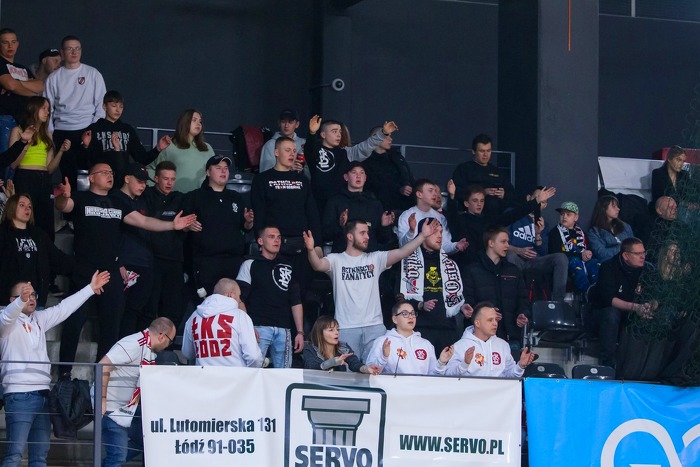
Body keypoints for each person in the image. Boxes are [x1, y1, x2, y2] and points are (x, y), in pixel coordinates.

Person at [54, 162, 196, 377]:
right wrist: (62, 197)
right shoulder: (81, 198)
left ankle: (103, 374)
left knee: (112, 326)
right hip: (85, 270)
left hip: (110, 271)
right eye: (104, 172)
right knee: (75, 320)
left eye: (111, 172)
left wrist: (171, 225)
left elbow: (144, 221)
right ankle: (64, 374)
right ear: (91, 177)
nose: (109, 175)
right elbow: (64, 206)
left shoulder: (117, 202)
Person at [0, 270, 110, 467]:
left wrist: (90, 289)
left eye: (33, 294)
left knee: (40, 457)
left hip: (43, 395)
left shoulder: (39, 319)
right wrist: (19, 302)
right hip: (18, 396)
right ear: (12, 300)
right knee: (14, 455)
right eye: (25, 295)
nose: (31, 298)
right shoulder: (4, 319)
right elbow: (7, 317)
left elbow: (63, 308)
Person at [303, 217, 438, 361]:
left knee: (377, 369)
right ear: (350, 236)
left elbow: (402, 252)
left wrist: (422, 236)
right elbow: (317, 265)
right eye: (362, 233)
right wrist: (310, 250)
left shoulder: (375, 258)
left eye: (367, 233)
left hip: (375, 327)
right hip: (346, 327)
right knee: (348, 371)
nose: (367, 237)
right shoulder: (336, 260)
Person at [251, 136, 322, 299]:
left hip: (300, 247)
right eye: (287, 150)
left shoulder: (302, 180)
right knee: (275, 294)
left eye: (294, 151)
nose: (292, 154)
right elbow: (259, 214)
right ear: (276, 152)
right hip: (275, 246)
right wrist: (261, 242)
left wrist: (317, 244)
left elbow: (312, 214)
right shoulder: (262, 179)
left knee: (300, 294)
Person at [98, 317, 176, 467]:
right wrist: (102, 400)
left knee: (145, 440)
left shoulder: (147, 349)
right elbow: (103, 365)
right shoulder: (134, 343)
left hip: (128, 408)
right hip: (112, 408)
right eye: (169, 341)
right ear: (162, 336)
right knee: (118, 456)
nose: (168, 345)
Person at [183, 155, 253, 296]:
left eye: (226, 168)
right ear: (208, 172)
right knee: (207, 301)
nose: (223, 171)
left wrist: (248, 222)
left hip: (233, 260)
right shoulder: (194, 197)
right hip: (207, 262)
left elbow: (245, 228)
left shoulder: (236, 197)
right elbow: (181, 227)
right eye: (218, 168)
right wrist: (188, 226)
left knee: (233, 301)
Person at [44, 35, 107, 191]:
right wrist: (50, 131)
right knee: (67, 174)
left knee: (90, 173)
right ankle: (69, 205)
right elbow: (47, 107)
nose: (74, 52)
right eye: (70, 49)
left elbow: (101, 104)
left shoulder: (92, 73)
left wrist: (93, 128)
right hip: (62, 130)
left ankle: (87, 205)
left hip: (87, 129)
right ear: (62, 52)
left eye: (77, 48)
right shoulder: (54, 77)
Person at [399, 217, 471, 352]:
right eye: (434, 232)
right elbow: (398, 298)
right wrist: (419, 305)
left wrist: (461, 307)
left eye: (441, 232)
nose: (439, 236)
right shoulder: (406, 262)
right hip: (418, 329)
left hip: (447, 330)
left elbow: (453, 295)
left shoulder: (450, 263)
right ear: (423, 234)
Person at [236, 226, 304, 368]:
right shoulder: (250, 263)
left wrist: (300, 332)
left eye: (279, 237)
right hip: (258, 327)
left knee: (284, 374)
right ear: (260, 241)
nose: (276, 240)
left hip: (284, 328)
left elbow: (296, 301)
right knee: (252, 371)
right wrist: (248, 328)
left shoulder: (288, 266)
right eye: (271, 237)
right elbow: (239, 299)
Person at [305, 116, 397, 215]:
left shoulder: (345, 153)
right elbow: (309, 148)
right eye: (334, 131)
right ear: (323, 134)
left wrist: (382, 133)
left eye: (340, 132)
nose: (339, 135)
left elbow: (365, 147)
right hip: (315, 202)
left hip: (338, 204)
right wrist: (312, 133)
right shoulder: (315, 150)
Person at [6, 96, 69, 240]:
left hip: (44, 178)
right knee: (25, 217)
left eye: (48, 109)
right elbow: (13, 163)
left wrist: (61, 152)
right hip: (25, 176)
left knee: (46, 220)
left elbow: (49, 168)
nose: (47, 112)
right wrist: (24, 144)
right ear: (33, 109)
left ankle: (46, 250)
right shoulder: (18, 130)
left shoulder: (47, 134)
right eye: (43, 108)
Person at [81, 90, 171, 190]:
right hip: (100, 184)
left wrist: (158, 148)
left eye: (121, 106)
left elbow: (142, 158)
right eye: (114, 106)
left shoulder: (127, 130)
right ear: (104, 106)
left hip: (122, 184)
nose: (118, 110)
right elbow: (85, 163)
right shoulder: (94, 129)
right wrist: (85, 146)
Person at [0, 194, 74, 307]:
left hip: (34, 302)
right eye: (22, 205)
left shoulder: (39, 235)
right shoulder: (3, 233)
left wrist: (87, 270)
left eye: (30, 206)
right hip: (7, 302)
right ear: (11, 207)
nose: (27, 209)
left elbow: (58, 260)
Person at [591, 237, 654, 368]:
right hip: (603, 315)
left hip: (634, 313)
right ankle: (608, 364)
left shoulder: (648, 270)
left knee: (651, 316)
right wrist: (635, 307)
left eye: (644, 252)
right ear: (626, 255)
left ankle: (642, 366)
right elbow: (609, 299)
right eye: (638, 253)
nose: (643, 256)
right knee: (611, 314)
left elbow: (655, 294)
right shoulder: (608, 267)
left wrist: (650, 305)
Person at [462, 228, 530, 345]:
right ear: (491, 243)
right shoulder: (472, 270)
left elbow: (523, 299)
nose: (507, 245)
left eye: (508, 242)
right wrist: (487, 314)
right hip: (481, 339)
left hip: (511, 336)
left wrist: (522, 314)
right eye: (503, 242)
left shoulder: (514, 270)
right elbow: (468, 301)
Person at [113, 163, 158, 337]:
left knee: (145, 312)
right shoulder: (114, 198)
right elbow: (108, 235)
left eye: (145, 182)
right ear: (126, 178)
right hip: (126, 263)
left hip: (146, 262)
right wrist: (118, 262)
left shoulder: (143, 200)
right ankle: (121, 350)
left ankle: (138, 350)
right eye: (139, 181)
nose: (143, 185)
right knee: (125, 312)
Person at [143, 161, 187, 327]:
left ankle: (167, 343)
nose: (169, 183)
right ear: (156, 179)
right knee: (148, 309)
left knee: (171, 311)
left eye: (172, 179)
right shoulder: (146, 195)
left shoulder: (180, 198)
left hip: (174, 261)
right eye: (165, 178)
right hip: (151, 260)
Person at [181, 278, 263, 367]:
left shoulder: (194, 317)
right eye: (239, 296)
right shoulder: (240, 316)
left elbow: (187, 353)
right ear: (230, 295)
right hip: (235, 375)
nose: (240, 301)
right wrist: (249, 373)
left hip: (203, 374)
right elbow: (254, 356)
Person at [506, 186, 568, 301]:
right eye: (537, 198)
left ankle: (558, 302)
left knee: (561, 258)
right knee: (510, 255)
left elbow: (543, 252)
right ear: (529, 198)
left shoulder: (544, 224)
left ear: (545, 205)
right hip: (515, 258)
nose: (539, 203)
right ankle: (513, 299)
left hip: (534, 261)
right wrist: (519, 251)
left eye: (543, 201)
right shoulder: (513, 214)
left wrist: (538, 235)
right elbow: (501, 244)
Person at [445, 301, 536, 378]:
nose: (495, 323)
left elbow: (510, 377)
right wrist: (464, 364)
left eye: (496, 320)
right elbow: (448, 376)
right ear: (477, 323)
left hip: (498, 393)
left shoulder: (503, 345)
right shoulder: (460, 346)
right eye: (490, 320)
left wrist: (520, 366)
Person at [323, 161, 394, 253]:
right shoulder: (335, 201)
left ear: (365, 178)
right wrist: (340, 225)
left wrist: (385, 227)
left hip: (369, 257)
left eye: (362, 173)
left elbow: (384, 240)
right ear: (346, 177)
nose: (358, 176)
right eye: (354, 172)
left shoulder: (375, 204)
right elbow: (326, 235)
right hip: (343, 256)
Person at [366, 301, 453, 375]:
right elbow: (372, 372)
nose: (410, 317)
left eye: (413, 313)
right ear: (395, 319)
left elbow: (433, 378)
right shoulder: (383, 341)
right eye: (405, 314)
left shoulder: (426, 344)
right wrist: (384, 357)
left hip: (421, 389)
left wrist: (441, 363)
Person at [148, 109, 214, 193]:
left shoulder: (208, 148)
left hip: (201, 198)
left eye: (200, 121)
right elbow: (150, 169)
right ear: (184, 122)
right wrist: (159, 191)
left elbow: (215, 174)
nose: (198, 124)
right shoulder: (168, 145)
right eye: (194, 120)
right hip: (174, 198)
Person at [451, 133, 516, 219]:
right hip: (472, 216)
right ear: (473, 151)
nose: (485, 154)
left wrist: (504, 194)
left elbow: (512, 193)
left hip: (498, 216)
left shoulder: (498, 171)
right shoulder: (464, 169)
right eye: (482, 151)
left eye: (488, 151)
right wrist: (482, 192)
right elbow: (457, 192)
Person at [0, 29, 43, 156]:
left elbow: (40, 86)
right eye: (5, 42)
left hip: (23, 119)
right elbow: (11, 85)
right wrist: (27, 86)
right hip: (4, 118)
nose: (10, 45)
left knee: (18, 157)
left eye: (13, 42)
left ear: (17, 44)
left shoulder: (22, 68)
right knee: (6, 157)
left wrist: (16, 82)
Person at [397, 179, 467, 255]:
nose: (435, 194)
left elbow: (444, 245)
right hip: (413, 260)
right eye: (430, 191)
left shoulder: (440, 217)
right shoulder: (406, 216)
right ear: (419, 194)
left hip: (435, 260)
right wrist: (411, 231)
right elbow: (402, 246)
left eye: (436, 191)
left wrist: (455, 246)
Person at [548, 201, 601, 294]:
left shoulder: (581, 233)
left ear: (575, 217)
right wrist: (580, 255)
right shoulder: (555, 232)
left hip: (583, 261)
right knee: (575, 261)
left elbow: (588, 248)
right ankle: (587, 292)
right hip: (565, 264)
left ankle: (598, 290)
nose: (564, 217)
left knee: (595, 263)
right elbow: (556, 253)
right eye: (562, 214)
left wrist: (589, 253)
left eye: (568, 214)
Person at [362, 125, 415, 213]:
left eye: (390, 136)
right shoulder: (365, 161)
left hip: (404, 207)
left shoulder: (397, 157)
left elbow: (408, 176)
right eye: (386, 136)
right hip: (380, 209)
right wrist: (398, 189)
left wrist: (407, 186)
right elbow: (373, 185)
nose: (390, 139)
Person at [303, 315, 380, 374]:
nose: (336, 332)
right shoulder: (310, 349)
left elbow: (354, 363)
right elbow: (311, 366)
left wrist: (366, 368)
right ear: (320, 333)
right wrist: (333, 362)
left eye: (337, 329)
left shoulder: (343, 347)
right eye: (331, 330)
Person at [588, 194, 635, 262]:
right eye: (614, 206)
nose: (618, 209)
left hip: (629, 262)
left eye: (617, 206)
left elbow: (634, 245)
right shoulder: (594, 232)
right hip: (609, 263)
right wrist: (623, 247)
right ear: (603, 208)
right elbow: (601, 254)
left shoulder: (625, 226)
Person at [259, 108, 306, 173]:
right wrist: (289, 167)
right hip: (279, 179)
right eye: (283, 122)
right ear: (279, 123)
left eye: (290, 122)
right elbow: (265, 172)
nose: (286, 125)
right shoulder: (270, 145)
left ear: (297, 124)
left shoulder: (303, 143)